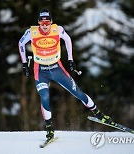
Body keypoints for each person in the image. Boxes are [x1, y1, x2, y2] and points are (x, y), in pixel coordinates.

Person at [18, 8, 112, 140]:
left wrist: (70, 60)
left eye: (47, 22)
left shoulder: (58, 30)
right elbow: (21, 44)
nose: (45, 26)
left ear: (51, 22)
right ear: (39, 23)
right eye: (42, 23)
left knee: (78, 93)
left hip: (57, 68)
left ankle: (99, 115)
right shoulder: (31, 32)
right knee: (44, 96)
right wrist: (24, 64)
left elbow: (68, 40)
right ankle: (49, 129)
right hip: (40, 70)